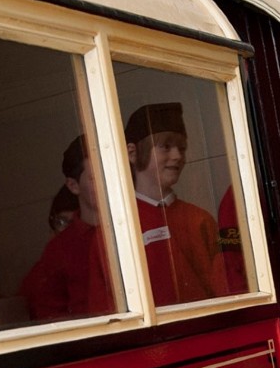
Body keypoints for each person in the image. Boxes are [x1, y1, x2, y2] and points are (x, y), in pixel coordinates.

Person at [125, 102, 227, 305]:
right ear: (132, 153)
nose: (177, 156)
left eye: (182, 148)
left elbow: (224, 290)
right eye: (165, 146)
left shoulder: (200, 219)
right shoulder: (121, 227)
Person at [20, 135, 112, 322]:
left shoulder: (136, 228)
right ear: (73, 185)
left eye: (110, 172)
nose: (107, 183)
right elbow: (50, 315)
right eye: (95, 178)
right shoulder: (59, 249)